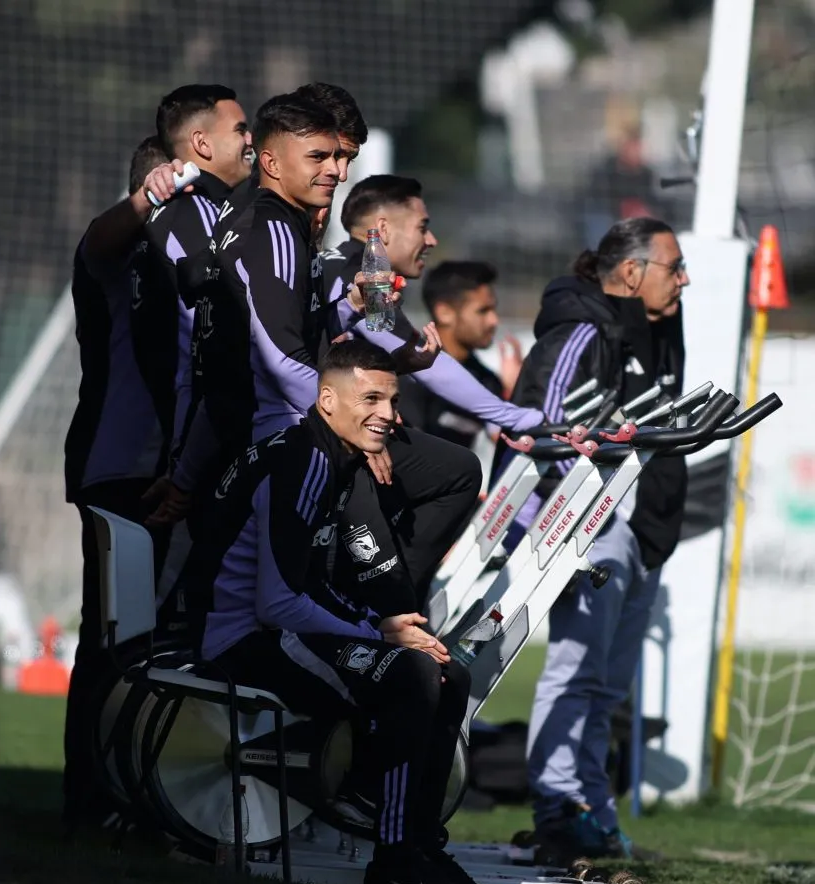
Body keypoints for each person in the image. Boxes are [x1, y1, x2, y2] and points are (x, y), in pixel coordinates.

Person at [195, 338, 503, 884]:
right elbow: (278, 603)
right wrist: (374, 634)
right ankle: (390, 850)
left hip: (279, 629)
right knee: (413, 677)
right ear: (326, 400)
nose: (387, 415)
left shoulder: (326, 455)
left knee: (445, 673)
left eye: (391, 400)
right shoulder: (305, 462)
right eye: (370, 399)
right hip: (244, 638)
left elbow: (306, 587)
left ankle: (420, 850)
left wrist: (383, 627)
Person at [164, 96, 480, 618]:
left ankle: (372, 617)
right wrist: (357, 424)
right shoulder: (275, 230)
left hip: (249, 433)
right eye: (321, 158)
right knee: (454, 476)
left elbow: (273, 340)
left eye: (340, 158)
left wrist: (349, 308)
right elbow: (278, 360)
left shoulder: (276, 227)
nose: (337, 171)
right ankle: (378, 620)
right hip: (282, 438)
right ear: (272, 161)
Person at [507, 217, 689, 861]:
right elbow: (538, 426)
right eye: (675, 267)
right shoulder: (583, 326)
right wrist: (581, 516)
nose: (685, 279)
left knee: (608, 687)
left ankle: (592, 809)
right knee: (577, 670)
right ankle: (557, 806)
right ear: (633, 272)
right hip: (586, 523)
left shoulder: (663, 327)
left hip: (643, 530)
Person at [62, 136, 192, 831]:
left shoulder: (202, 259)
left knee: (169, 637)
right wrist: (150, 197)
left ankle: (151, 794)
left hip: (179, 471)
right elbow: (98, 236)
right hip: (122, 472)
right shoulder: (125, 255)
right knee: (114, 639)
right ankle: (91, 798)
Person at [322, 175, 543, 441]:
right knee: (458, 470)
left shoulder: (333, 263)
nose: (431, 240)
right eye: (422, 227)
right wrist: (515, 416)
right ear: (383, 229)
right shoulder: (364, 275)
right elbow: (431, 367)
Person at [129, 84, 253, 487]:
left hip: (182, 443)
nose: (250, 141)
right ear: (201, 142)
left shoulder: (211, 208)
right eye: (240, 130)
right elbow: (203, 336)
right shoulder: (191, 210)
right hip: (170, 453)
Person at [397, 260, 523, 449]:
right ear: (444, 313)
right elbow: (407, 448)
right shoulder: (408, 371)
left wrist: (514, 390)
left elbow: (513, 444)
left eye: (493, 309)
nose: (494, 321)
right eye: (483, 311)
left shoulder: (487, 381)